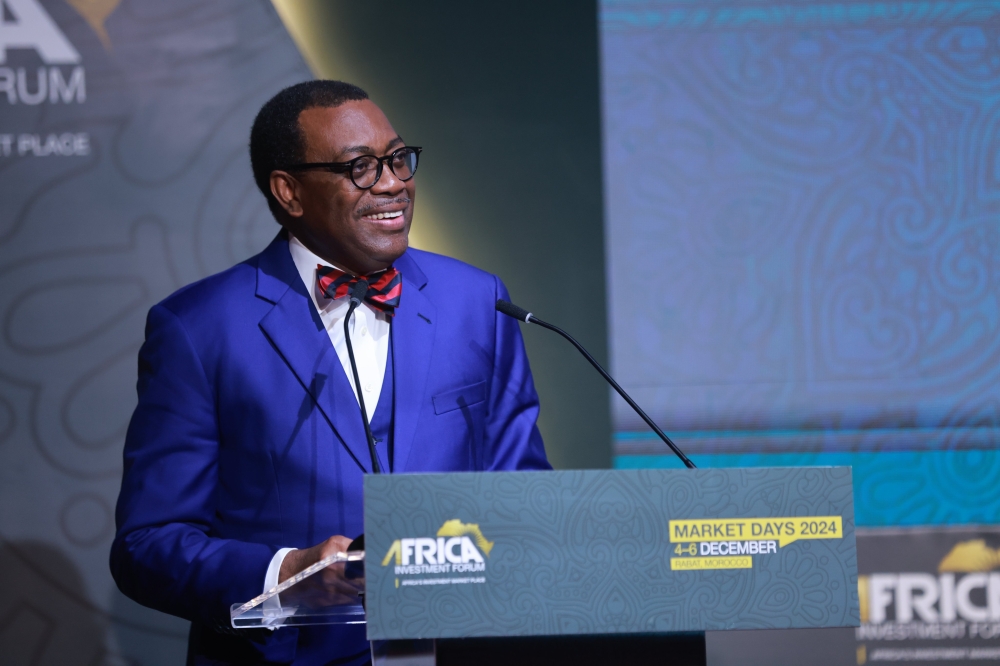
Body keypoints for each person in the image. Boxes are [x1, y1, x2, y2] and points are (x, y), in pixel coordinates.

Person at [110, 80, 550, 665]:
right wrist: (286, 573)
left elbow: (527, 497)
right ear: (289, 191)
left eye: (397, 159)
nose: (393, 182)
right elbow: (148, 545)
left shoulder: (477, 301)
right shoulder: (197, 328)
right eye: (361, 167)